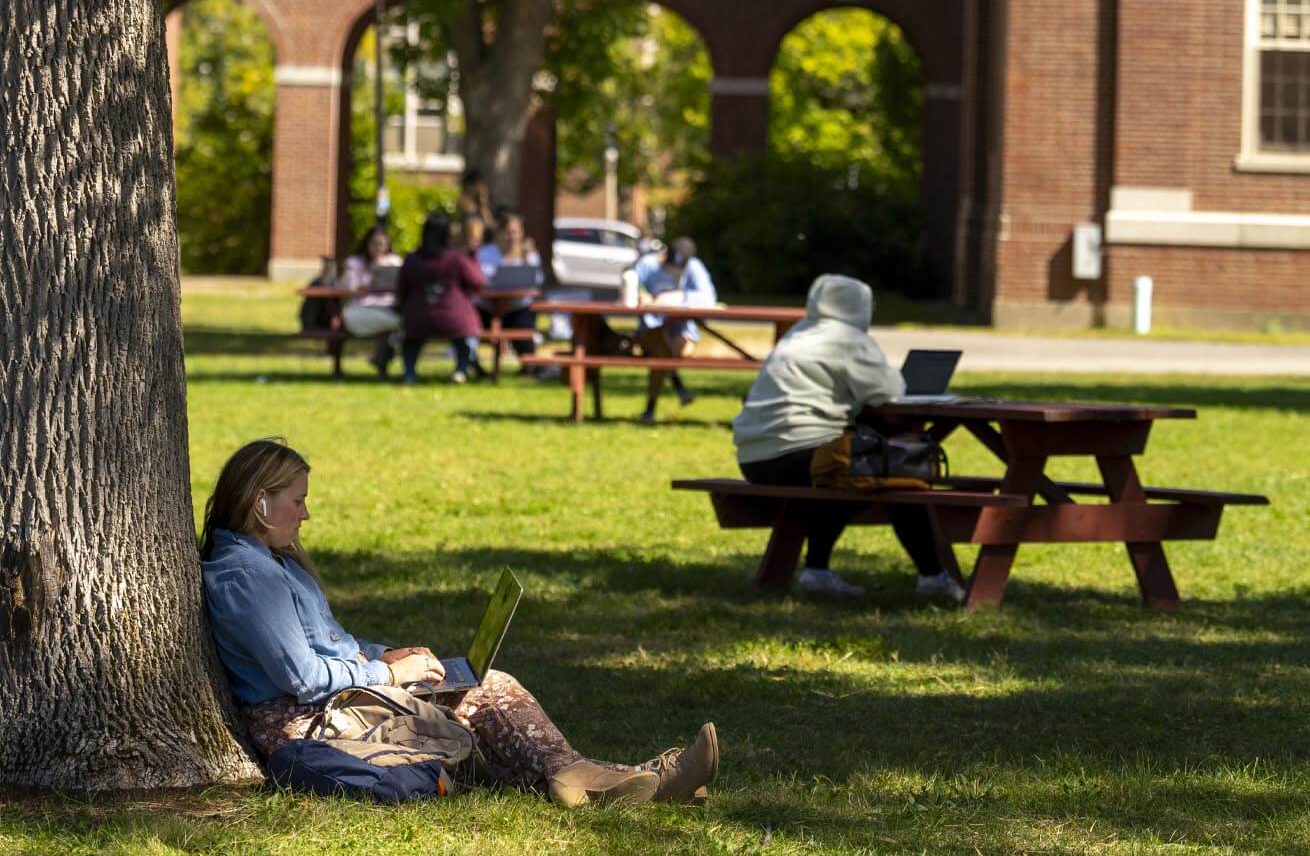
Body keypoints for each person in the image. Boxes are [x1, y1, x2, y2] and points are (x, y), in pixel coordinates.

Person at [200, 439, 719, 806]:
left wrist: (383, 654)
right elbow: (304, 678)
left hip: (330, 700)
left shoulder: (270, 563)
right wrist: (388, 678)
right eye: (298, 500)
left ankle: (605, 777)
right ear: (260, 503)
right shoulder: (247, 577)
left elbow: (325, 643)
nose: (306, 514)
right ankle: (606, 778)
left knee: (473, 683)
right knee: (486, 690)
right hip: (306, 719)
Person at [731, 274, 964, 601]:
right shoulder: (848, 339)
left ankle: (818, 570)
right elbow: (889, 391)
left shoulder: (798, 333)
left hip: (756, 459)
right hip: (806, 454)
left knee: (849, 474)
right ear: (860, 307)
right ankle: (933, 577)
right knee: (902, 477)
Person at [632, 237, 716, 425]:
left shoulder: (694, 267)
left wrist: (681, 296)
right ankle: (675, 389)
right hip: (650, 328)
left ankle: (650, 410)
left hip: (681, 327)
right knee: (659, 345)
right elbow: (631, 286)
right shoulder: (647, 264)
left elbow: (709, 298)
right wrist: (641, 296)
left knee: (670, 352)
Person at [396, 213, 485, 384]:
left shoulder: (412, 259)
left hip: (418, 317)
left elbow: (401, 290)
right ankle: (460, 371)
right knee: (463, 338)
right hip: (453, 318)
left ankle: (409, 373)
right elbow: (477, 281)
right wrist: (473, 255)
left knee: (411, 341)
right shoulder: (455, 258)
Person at [476, 212, 544, 373]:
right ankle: (474, 367)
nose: (512, 237)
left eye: (516, 232)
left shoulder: (529, 254)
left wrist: (527, 258)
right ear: (498, 233)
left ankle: (529, 367)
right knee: (471, 328)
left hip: (517, 307)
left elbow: (538, 280)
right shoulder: (485, 253)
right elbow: (478, 278)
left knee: (524, 338)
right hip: (488, 307)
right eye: (508, 232)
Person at [339, 226, 404, 378]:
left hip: (387, 308)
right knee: (398, 324)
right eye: (374, 244)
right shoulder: (354, 263)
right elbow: (347, 287)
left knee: (399, 323)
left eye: (382, 244)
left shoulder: (395, 262)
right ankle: (381, 360)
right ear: (367, 244)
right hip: (362, 309)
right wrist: (362, 286)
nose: (378, 248)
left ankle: (381, 359)